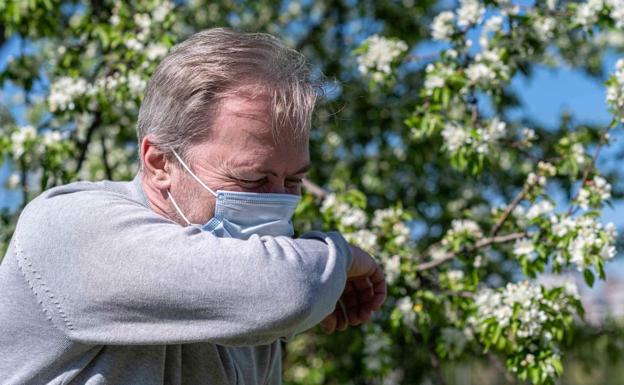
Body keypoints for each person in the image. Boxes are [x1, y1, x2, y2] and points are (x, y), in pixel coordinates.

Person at [0, 28, 386, 384]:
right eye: (252, 180)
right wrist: (338, 259)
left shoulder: (250, 317)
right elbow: (291, 290)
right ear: (160, 162)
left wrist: (320, 279)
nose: (279, 201)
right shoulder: (68, 226)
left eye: (294, 181)